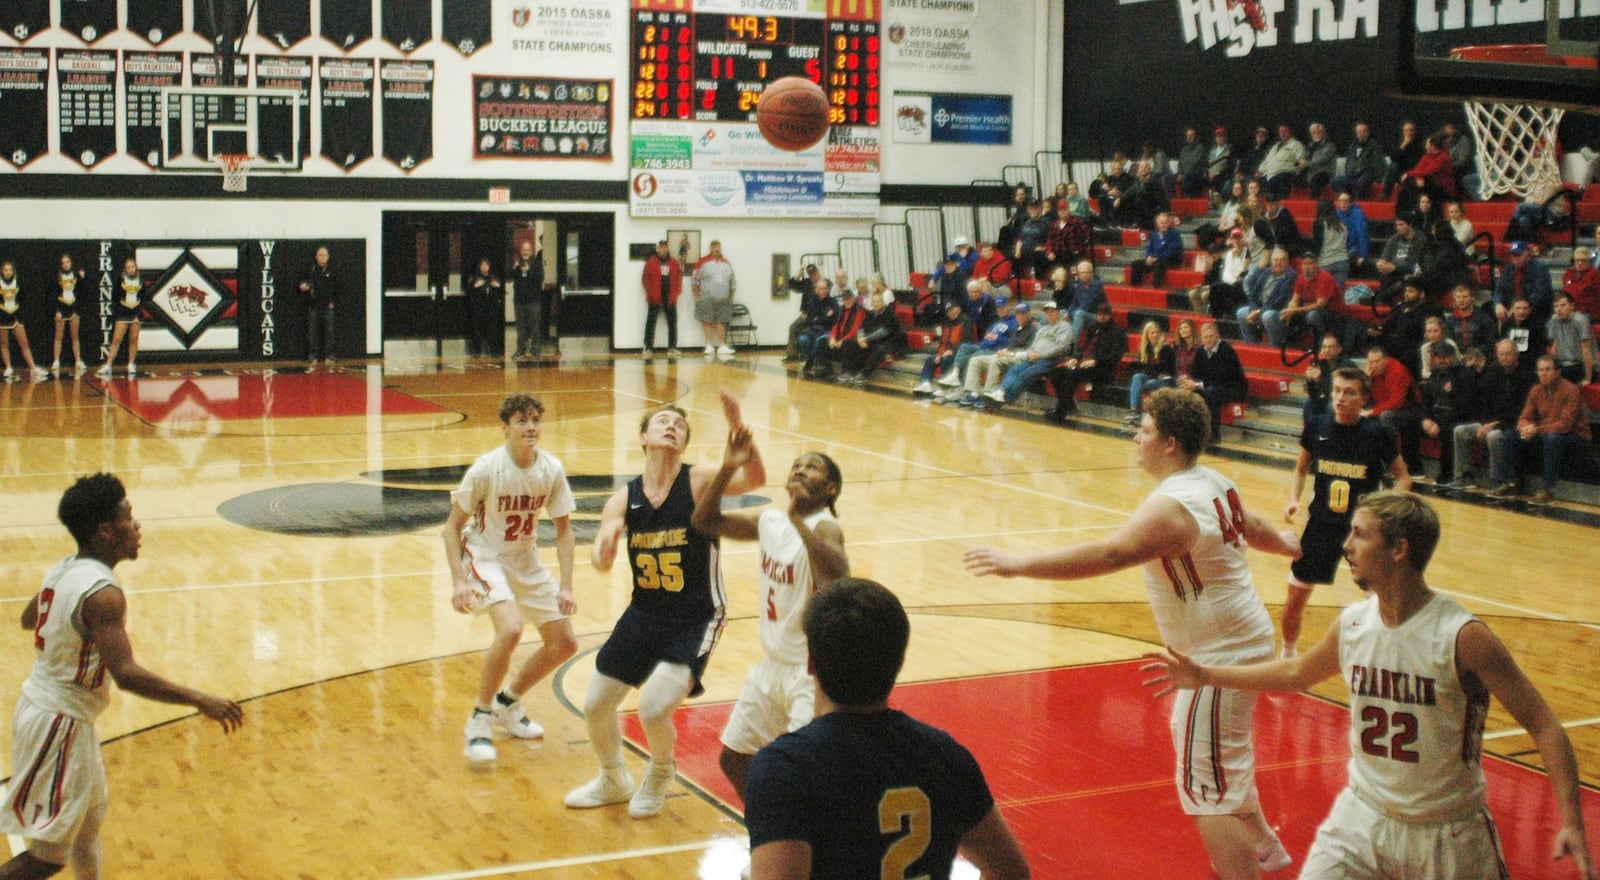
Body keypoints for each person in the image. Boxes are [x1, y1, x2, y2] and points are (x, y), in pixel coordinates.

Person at [1144, 491, 1598, 880]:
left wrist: (1573, 822)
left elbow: (1545, 726)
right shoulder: (1354, 623)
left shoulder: (1462, 636)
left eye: (1360, 535)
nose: (1347, 546)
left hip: (1448, 832)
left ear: (1399, 549)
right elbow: (1295, 673)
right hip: (1363, 816)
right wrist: (1204, 676)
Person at [966, 388, 1300, 880]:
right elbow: (1249, 523)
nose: (1135, 438)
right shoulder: (1212, 480)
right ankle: (1266, 844)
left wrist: (1019, 565)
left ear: (1168, 443)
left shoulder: (1172, 506)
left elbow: (1109, 555)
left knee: (1205, 786)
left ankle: (1241, 870)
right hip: (1239, 640)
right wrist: (1285, 545)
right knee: (1217, 759)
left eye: (1143, 431)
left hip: (1216, 657)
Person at [0, 473, 243, 879]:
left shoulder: (65, 569)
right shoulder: (102, 594)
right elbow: (126, 675)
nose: (138, 527)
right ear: (107, 532)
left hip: (51, 712)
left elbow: (30, 619)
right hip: (59, 721)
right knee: (47, 856)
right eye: (129, 518)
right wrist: (202, 699)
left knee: (90, 821)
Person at [743, 579, 1031, 880]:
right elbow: (1011, 871)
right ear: (899, 661)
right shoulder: (947, 755)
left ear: (811, 663)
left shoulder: (784, 769)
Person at [565, 394, 766, 819]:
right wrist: (602, 550)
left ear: (684, 442)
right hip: (645, 612)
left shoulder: (697, 480)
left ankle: (660, 769)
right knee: (595, 705)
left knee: (654, 708)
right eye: (662, 421)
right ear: (643, 437)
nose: (671, 425)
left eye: (678, 424)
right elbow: (602, 558)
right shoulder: (623, 498)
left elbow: (754, 479)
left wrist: (743, 442)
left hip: (696, 615)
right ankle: (613, 778)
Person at [689, 428, 847, 800]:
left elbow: (838, 576)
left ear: (831, 489)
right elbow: (705, 521)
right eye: (797, 466)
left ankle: (810, 844)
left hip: (811, 673)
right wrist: (728, 468)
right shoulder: (773, 521)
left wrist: (796, 521)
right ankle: (772, 831)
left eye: (813, 468)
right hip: (771, 666)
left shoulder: (825, 527)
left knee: (806, 773)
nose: (801, 470)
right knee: (734, 760)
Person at [442, 393, 577, 763]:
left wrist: (566, 585)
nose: (530, 427)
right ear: (505, 428)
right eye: (521, 421)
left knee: (564, 643)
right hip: (485, 555)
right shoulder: (487, 468)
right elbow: (451, 529)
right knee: (512, 629)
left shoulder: (550, 469)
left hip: (525, 556)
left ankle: (507, 702)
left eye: (535, 419)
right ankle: (480, 718)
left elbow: (564, 530)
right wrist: (459, 581)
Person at [1280, 367, 1410, 657]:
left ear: (1364, 398)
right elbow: (1301, 469)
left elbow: (1403, 478)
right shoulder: (1316, 426)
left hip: (1362, 530)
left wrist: (1388, 511)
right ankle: (1288, 653)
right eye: (1337, 390)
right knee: (1294, 599)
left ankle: (1379, 660)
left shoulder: (1377, 433)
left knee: (1378, 602)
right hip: (1321, 524)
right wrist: (1293, 499)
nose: (1340, 398)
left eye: (1349, 392)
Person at [1490, 355, 1593, 504]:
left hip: (1575, 435)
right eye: (1540, 370)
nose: (1543, 373)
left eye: (1548, 370)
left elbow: (1565, 425)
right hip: (1546, 431)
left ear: (1558, 372)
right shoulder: (1536, 390)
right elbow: (1524, 417)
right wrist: (1525, 428)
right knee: (1510, 435)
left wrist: (1536, 430)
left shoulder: (1572, 390)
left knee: (1553, 439)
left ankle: (1548, 489)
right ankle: (1510, 483)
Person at [1180, 322, 1248, 441]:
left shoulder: (1227, 350)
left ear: (1217, 336)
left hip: (1233, 388)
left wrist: (1197, 385)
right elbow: (1195, 374)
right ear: (1201, 338)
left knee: (1210, 393)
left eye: (1211, 336)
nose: (1208, 340)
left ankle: (1213, 435)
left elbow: (1223, 378)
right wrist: (1189, 381)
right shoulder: (1201, 351)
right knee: (1187, 393)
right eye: (1205, 337)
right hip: (1213, 386)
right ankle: (1190, 432)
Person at [98, 258, 145, 378]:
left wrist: (140, 311)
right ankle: (108, 365)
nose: (131, 269)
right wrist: (117, 312)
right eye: (128, 267)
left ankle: (130, 364)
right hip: (123, 313)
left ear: (136, 267)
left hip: (135, 313)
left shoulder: (141, 280)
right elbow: (114, 297)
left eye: (133, 267)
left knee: (133, 340)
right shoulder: (120, 279)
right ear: (125, 269)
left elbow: (143, 297)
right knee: (116, 340)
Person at [0, 260, 46, 382]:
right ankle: (8, 367)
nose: (8, 272)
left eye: (10, 270)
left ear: (13, 271)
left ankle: (33, 368)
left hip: (15, 316)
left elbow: (23, 299)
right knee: (4, 344)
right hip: (2, 316)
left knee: (24, 344)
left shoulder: (18, 283)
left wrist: (19, 312)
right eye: (5, 270)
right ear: (2, 272)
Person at [1124, 320, 1176, 426]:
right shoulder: (1144, 348)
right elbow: (1142, 368)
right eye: (1152, 333)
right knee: (1137, 377)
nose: (1155, 335)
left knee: (1150, 383)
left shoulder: (1165, 348)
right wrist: (1153, 370)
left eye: (1157, 332)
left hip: (1166, 380)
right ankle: (1134, 411)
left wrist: (1153, 370)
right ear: (1147, 335)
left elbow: (1166, 368)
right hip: (1152, 376)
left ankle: (1144, 416)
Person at [693, 239, 738, 357]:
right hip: (706, 298)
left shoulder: (726, 263)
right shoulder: (702, 262)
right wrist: (696, 296)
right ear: (711, 248)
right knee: (707, 321)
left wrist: (731, 297)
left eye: (719, 247)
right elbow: (695, 280)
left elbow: (732, 281)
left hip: (724, 299)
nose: (717, 249)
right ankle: (708, 345)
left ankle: (722, 345)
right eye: (715, 247)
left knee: (721, 322)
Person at [641, 239, 682, 360]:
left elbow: (679, 279)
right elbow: (645, 279)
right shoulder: (651, 262)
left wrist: (676, 293)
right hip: (655, 297)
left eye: (665, 247)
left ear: (668, 248)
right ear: (658, 249)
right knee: (651, 323)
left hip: (670, 298)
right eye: (661, 247)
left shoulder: (674, 262)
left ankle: (672, 347)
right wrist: (650, 292)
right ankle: (647, 347)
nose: (663, 249)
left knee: (672, 323)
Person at [298, 245, 339, 365]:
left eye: (324, 255)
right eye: (320, 255)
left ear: (328, 257)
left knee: (330, 331)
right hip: (314, 305)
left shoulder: (332, 270)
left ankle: (330, 356)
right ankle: (312, 356)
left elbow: (338, 287)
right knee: (312, 332)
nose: (322, 257)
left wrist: (333, 302)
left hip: (328, 306)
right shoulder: (311, 270)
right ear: (316, 257)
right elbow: (303, 283)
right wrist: (303, 287)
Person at [50, 253, 87, 376]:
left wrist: (82, 278)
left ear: (71, 263)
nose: (66, 264)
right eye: (63, 263)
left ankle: (77, 360)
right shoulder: (57, 276)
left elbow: (82, 291)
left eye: (68, 262)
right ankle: (56, 361)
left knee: (75, 336)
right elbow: (53, 295)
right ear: (61, 265)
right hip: (61, 307)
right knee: (58, 336)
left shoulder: (76, 275)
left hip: (73, 308)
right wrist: (57, 310)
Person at [1546, 292, 1594, 385]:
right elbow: (1555, 345)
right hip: (1563, 364)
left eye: (1563, 305)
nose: (1559, 309)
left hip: (1580, 364)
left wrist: (1588, 379)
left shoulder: (1580, 321)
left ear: (1572, 306)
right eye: (1556, 306)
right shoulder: (1555, 319)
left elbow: (1586, 351)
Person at [509, 241, 545, 360]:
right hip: (519, 302)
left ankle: (535, 351)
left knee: (534, 327)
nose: (525, 252)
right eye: (523, 250)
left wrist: (528, 271)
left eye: (527, 250)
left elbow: (540, 278)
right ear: (521, 251)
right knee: (520, 328)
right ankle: (521, 351)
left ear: (531, 251)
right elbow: (510, 276)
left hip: (533, 301)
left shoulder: (537, 264)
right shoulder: (517, 263)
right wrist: (514, 269)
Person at [465, 258, 505, 358]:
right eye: (483, 265)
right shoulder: (474, 277)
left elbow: (500, 289)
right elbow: (468, 291)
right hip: (478, 308)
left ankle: (492, 350)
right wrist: (474, 286)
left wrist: (498, 286)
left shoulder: (493, 277)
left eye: (486, 265)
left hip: (491, 308)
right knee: (477, 329)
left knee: (492, 329)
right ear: (480, 266)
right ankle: (477, 350)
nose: (485, 267)